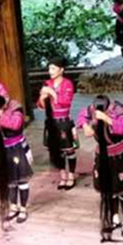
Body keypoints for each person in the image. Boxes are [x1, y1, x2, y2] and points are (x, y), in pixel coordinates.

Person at [78, 95, 123, 240]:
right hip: (102, 155)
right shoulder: (92, 109)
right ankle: (115, 216)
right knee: (109, 190)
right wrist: (85, 125)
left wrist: (107, 119)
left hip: (119, 155)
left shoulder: (118, 110)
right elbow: (81, 116)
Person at [0, 94, 33, 224]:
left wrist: (0, 113)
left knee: (22, 179)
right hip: (4, 148)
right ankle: (13, 206)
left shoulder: (16, 108)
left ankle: (23, 208)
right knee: (10, 180)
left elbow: (15, 125)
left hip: (17, 147)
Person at [37, 57, 78, 190]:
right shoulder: (47, 83)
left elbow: (65, 102)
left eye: (53, 68)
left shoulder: (68, 84)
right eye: (49, 68)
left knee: (69, 150)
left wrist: (53, 93)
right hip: (51, 122)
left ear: (61, 70)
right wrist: (43, 98)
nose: (50, 71)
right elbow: (41, 106)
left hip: (63, 121)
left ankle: (71, 175)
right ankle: (62, 175)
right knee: (57, 150)